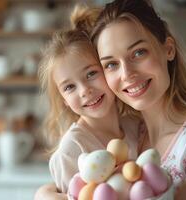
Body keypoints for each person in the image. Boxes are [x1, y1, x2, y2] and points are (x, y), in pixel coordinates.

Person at [35, 0, 186, 199]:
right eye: (111, 64)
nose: (127, 74)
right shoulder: (133, 131)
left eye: (138, 53)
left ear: (168, 49)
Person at [36, 4, 143, 196]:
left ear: (108, 69)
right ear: (64, 100)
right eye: (69, 87)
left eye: (91, 73)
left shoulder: (135, 126)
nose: (85, 91)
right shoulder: (71, 150)